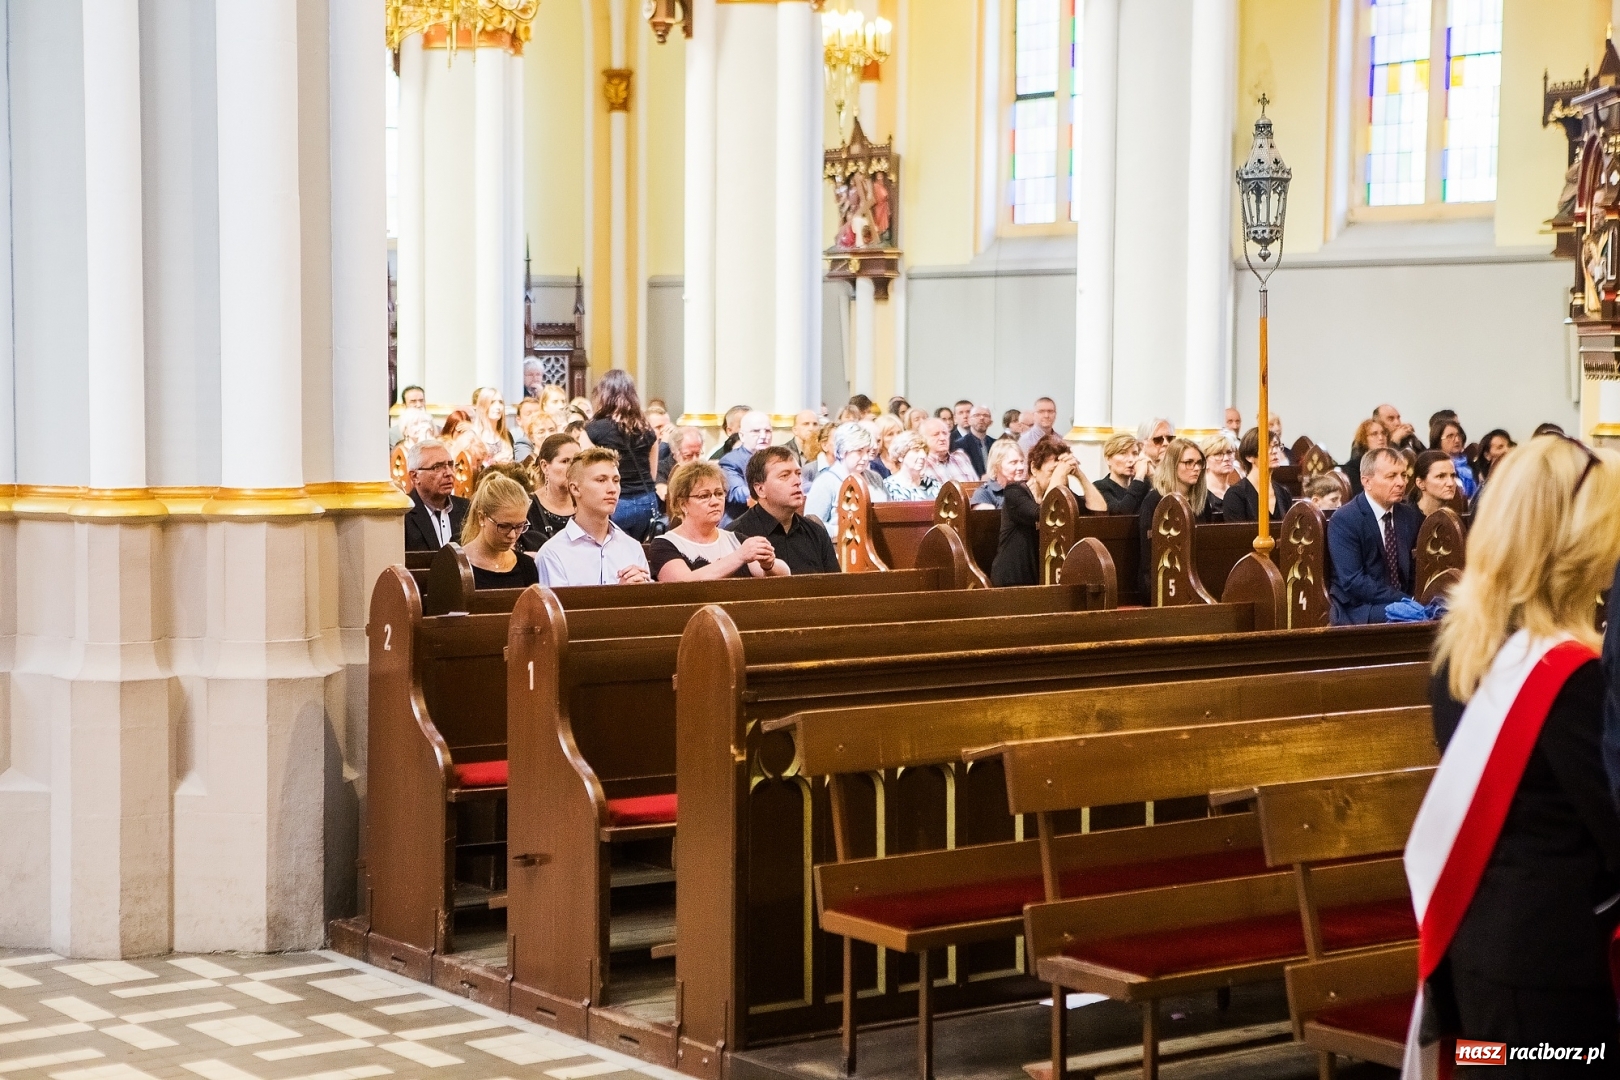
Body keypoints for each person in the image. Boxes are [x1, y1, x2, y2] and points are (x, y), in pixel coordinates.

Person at [1410, 435, 1620, 1074]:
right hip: (1555, 970)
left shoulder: (1465, 647)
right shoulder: (1569, 677)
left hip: (1481, 948)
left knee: (1486, 1068)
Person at [1325, 447, 1423, 624]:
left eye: (1404, 475)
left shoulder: (1408, 515)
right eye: (1391, 476)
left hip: (1402, 601)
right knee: (1413, 619)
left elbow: (1414, 568)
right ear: (1367, 482)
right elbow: (1353, 581)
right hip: (1359, 608)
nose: (1401, 482)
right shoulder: (1346, 519)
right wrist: (1403, 600)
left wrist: (1417, 598)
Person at [991, 436, 1103, 587]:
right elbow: (1043, 514)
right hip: (1013, 578)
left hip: (1044, 578)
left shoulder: (1060, 495)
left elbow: (1099, 510)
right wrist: (1058, 475)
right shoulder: (1014, 492)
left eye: (1062, 473)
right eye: (1052, 471)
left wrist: (1079, 474)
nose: (1059, 477)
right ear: (1034, 469)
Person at [647, 461, 788, 581]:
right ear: (682, 504)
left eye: (719, 494)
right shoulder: (664, 545)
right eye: (704, 496)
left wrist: (769, 564)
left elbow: (784, 574)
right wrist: (739, 556)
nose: (715, 501)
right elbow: (682, 585)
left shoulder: (735, 539)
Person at [536, 447, 652, 586]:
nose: (612, 489)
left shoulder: (632, 547)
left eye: (616, 480)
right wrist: (620, 594)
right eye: (601, 480)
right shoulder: (553, 553)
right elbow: (560, 607)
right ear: (575, 489)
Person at [730, 446, 841, 574]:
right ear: (760, 489)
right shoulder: (736, 535)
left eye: (798, 474)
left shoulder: (816, 532)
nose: (797, 481)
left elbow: (836, 586)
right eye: (784, 476)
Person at [584, 369, 660, 540]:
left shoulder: (592, 430)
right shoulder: (648, 429)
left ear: (603, 395)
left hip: (615, 502)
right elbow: (652, 474)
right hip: (646, 501)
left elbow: (586, 471)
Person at [1137, 438, 1216, 598]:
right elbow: (1148, 554)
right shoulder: (1155, 500)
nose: (1196, 468)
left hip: (1198, 575)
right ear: (1173, 465)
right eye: (1188, 462)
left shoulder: (1202, 500)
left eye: (1199, 463)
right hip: (1162, 579)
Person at [459, 473, 541, 590]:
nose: (512, 535)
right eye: (503, 526)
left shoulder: (526, 565)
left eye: (519, 526)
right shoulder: (457, 566)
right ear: (482, 517)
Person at [805, 423, 887, 530]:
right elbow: (811, 526)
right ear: (843, 452)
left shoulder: (875, 478)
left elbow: (888, 512)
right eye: (859, 451)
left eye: (867, 451)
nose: (866, 457)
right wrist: (844, 531)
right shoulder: (825, 482)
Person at [403, 439, 468, 551]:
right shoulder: (403, 513)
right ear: (415, 476)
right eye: (437, 467)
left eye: (451, 465)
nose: (449, 473)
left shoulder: (467, 509)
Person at [1221, 427, 1295, 524]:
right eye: (1266, 447)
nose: (1274, 451)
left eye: (1276, 446)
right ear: (1249, 457)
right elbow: (1237, 536)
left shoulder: (1283, 493)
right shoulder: (1236, 495)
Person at [519, 434, 578, 552]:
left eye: (576, 461)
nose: (572, 467)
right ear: (545, 466)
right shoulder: (526, 506)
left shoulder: (588, 504)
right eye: (565, 461)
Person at [720, 410, 777, 524]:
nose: (763, 436)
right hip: (739, 524)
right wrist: (772, 491)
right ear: (742, 435)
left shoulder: (777, 458)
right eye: (756, 431)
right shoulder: (730, 461)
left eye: (767, 431)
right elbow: (736, 492)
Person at [1093, 433, 1149, 515]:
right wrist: (1139, 476)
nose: (1131, 459)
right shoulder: (1099, 487)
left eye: (1134, 453)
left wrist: (1152, 475)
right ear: (1108, 459)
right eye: (1123, 453)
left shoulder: (1142, 486)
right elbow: (1121, 513)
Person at [884, 432, 943, 501]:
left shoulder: (935, 485)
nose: (923, 455)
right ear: (901, 456)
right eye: (916, 451)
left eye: (924, 451)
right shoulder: (888, 487)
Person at [919, 418, 978, 483]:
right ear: (923, 439)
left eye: (945, 433)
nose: (942, 438)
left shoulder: (961, 457)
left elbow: (977, 487)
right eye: (936, 434)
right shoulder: (921, 465)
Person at [972, 439, 1026, 509]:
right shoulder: (984, 494)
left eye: (1021, 462)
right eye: (1013, 462)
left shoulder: (1027, 490)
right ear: (997, 465)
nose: (1021, 467)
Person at [1344, 418, 1390, 498]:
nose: (1381, 438)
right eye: (1374, 434)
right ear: (1364, 439)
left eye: (1383, 433)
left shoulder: (1392, 463)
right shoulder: (1353, 467)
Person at [1432, 418, 1478, 499]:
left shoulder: (1471, 465)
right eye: (1450, 436)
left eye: (1458, 435)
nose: (1457, 440)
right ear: (1438, 440)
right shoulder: (1434, 467)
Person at [1410, 449, 1459, 518]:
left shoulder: (1455, 517)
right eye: (1441, 476)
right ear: (1420, 483)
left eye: (1453, 476)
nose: (1450, 483)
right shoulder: (1406, 521)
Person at [1200, 432, 1241, 508]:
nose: (1226, 458)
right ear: (1205, 462)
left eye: (1229, 452)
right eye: (1218, 454)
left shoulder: (1238, 493)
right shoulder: (1200, 496)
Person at [951, 399, 991, 476]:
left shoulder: (991, 442)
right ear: (955, 418)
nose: (965, 416)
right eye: (961, 413)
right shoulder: (952, 442)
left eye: (968, 412)